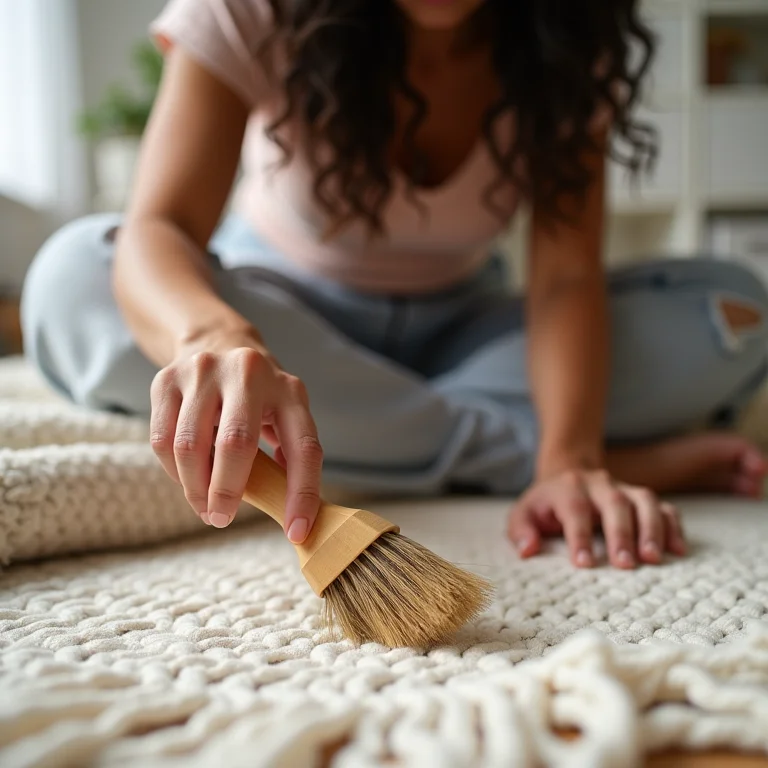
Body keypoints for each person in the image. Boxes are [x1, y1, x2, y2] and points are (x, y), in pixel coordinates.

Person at [21, 0, 768, 571]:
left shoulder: (572, 31)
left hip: (465, 327)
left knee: (737, 314)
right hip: (287, 324)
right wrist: (214, 336)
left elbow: (566, 280)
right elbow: (161, 227)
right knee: (73, 278)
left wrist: (569, 455)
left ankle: (404, 438)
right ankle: (522, 454)